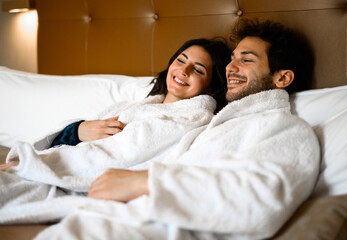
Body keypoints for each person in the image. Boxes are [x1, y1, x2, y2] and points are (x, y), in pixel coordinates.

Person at [82, 18, 320, 239]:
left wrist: (146, 182)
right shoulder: (216, 127)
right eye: (232, 59)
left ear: (282, 78)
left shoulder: (287, 129)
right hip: (121, 218)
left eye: (246, 60)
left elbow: (261, 201)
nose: (230, 67)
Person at [0, 38, 231, 192]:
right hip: (51, 165)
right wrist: (78, 130)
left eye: (198, 69)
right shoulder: (128, 106)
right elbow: (58, 142)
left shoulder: (191, 120)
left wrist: (32, 164)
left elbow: (119, 156)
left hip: (73, 177)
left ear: (211, 86)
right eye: (181, 60)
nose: (184, 70)